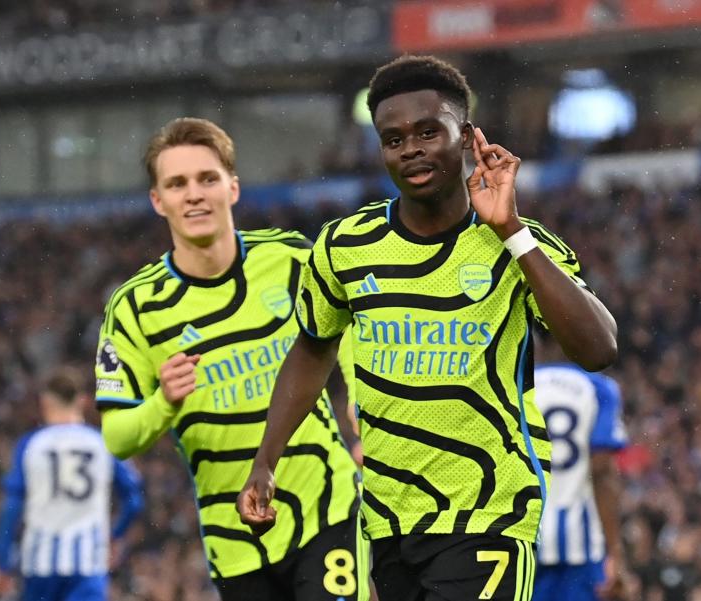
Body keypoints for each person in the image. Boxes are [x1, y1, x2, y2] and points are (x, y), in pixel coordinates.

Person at [238, 54, 618, 601]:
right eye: (393, 139)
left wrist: (510, 230)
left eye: (426, 132)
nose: (410, 148)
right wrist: (265, 461)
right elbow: (312, 348)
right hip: (388, 518)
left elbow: (599, 347)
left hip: (489, 511)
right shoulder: (345, 247)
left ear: (464, 137)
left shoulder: (518, 244)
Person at [95, 117, 366, 601]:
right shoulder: (135, 308)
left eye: (207, 179)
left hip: (327, 505)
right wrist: (162, 402)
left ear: (233, 188)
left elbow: (348, 324)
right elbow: (116, 437)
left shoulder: (290, 260)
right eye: (177, 184)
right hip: (233, 538)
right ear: (159, 201)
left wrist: (357, 395)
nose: (194, 194)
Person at [0, 367, 145, 601]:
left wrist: (2, 564)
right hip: (88, 562)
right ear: (82, 401)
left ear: (44, 403)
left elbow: (12, 507)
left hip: (40, 562)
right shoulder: (102, 443)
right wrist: (115, 535)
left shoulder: (31, 445)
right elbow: (133, 501)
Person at [532, 334, 635, 601]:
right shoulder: (599, 389)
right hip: (579, 547)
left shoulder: (516, 386)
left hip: (525, 536)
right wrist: (616, 555)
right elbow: (602, 471)